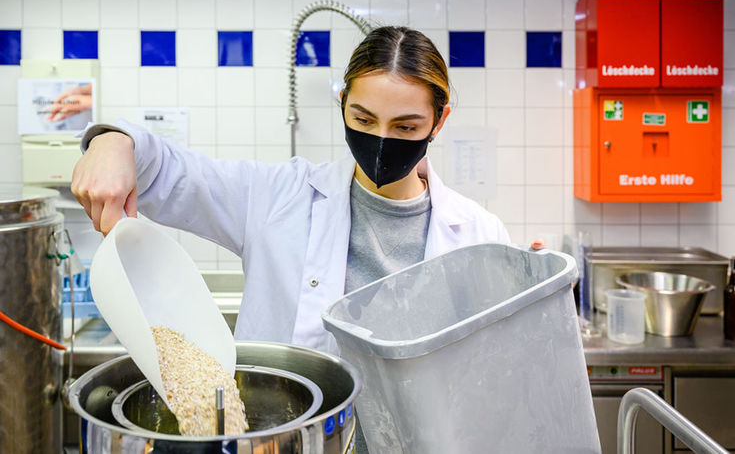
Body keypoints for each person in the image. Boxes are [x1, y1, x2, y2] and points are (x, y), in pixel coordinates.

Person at [71, 26, 510, 355]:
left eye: (406, 126)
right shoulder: (278, 197)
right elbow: (168, 171)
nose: (380, 139)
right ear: (342, 105)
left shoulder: (480, 235)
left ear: (440, 120)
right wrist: (113, 141)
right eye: (362, 119)